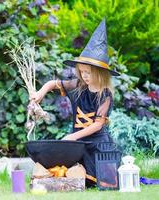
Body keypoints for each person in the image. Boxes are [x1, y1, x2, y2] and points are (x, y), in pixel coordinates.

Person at [30, 19, 120, 186]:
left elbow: (97, 125)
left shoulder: (105, 95)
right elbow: (52, 84)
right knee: (71, 176)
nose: (85, 76)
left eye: (89, 73)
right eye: (82, 72)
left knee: (102, 181)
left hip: (97, 144)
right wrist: (39, 93)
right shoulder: (78, 86)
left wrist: (72, 136)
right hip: (78, 144)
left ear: (101, 74)